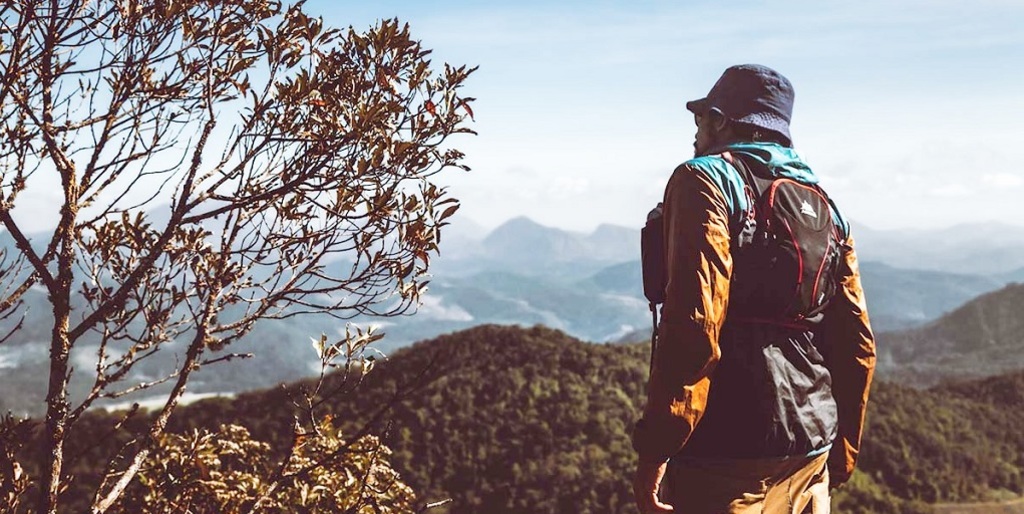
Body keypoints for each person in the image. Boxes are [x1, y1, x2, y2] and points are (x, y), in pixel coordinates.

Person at [631, 64, 877, 513]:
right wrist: (844, 447)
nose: (695, 130)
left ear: (722, 120)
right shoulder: (825, 204)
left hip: (725, 454)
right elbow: (856, 341)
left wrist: (655, 449)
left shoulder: (704, 180)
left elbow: (695, 324)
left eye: (701, 117)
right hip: (811, 447)